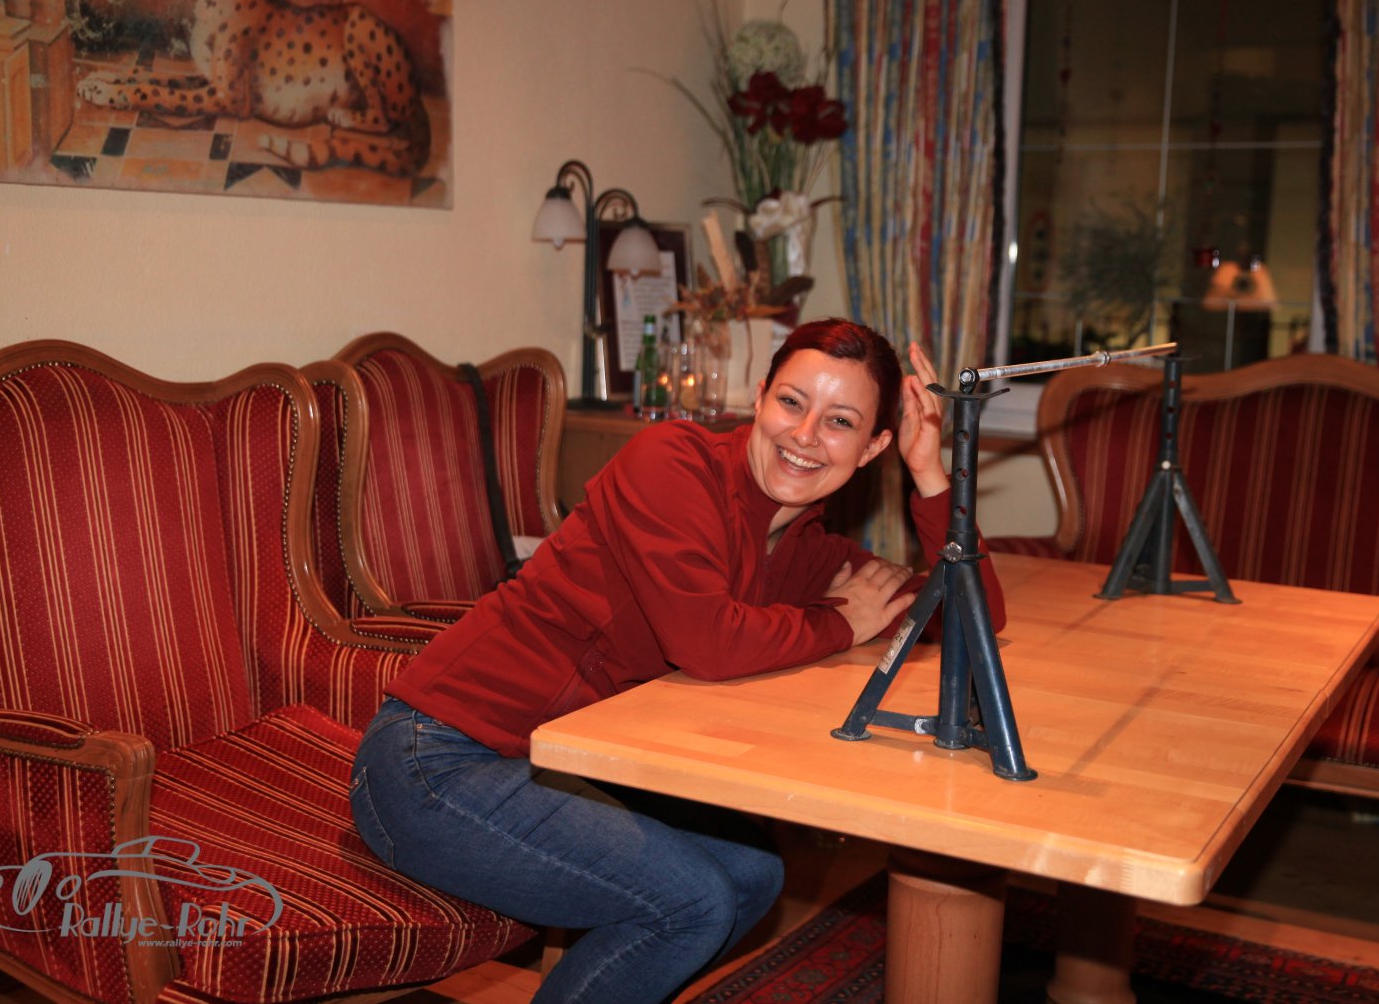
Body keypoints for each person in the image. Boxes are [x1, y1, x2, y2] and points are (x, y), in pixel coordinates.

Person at [349, 317, 1006, 1004]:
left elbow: (975, 617)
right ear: (760, 397)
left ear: (873, 447)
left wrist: (930, 472)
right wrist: (838, 623)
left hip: (552, 763)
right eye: (791, 402)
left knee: (753, 874)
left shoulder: (811, 553)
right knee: (692, 903)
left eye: (840, 421)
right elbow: (707, 641)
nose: (806, 433)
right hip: (436, 759)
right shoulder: (671, 462)